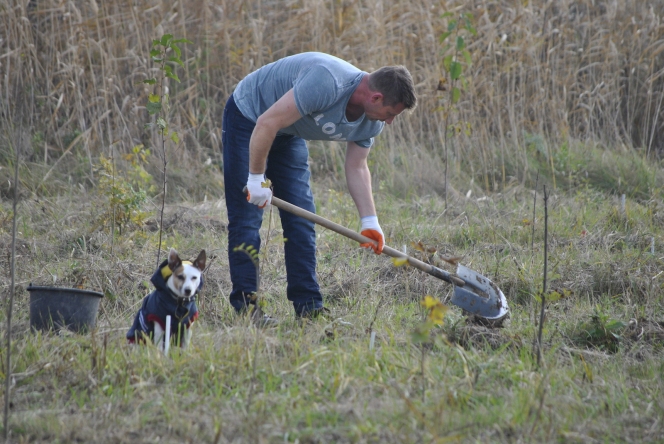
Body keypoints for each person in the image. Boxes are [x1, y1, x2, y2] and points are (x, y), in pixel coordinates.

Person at [221, 52, 416, 321]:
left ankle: (309, 308)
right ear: (376, 98)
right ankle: (247, 309)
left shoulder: (372, 122)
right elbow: (268, 122)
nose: (390, 121)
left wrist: (370, 220)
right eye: (391, 113)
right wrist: (255, 179)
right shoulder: (327, 81)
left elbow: (357, 166)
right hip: (251, 116)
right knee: (247, 218)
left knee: (301, 218)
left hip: (288, 132)